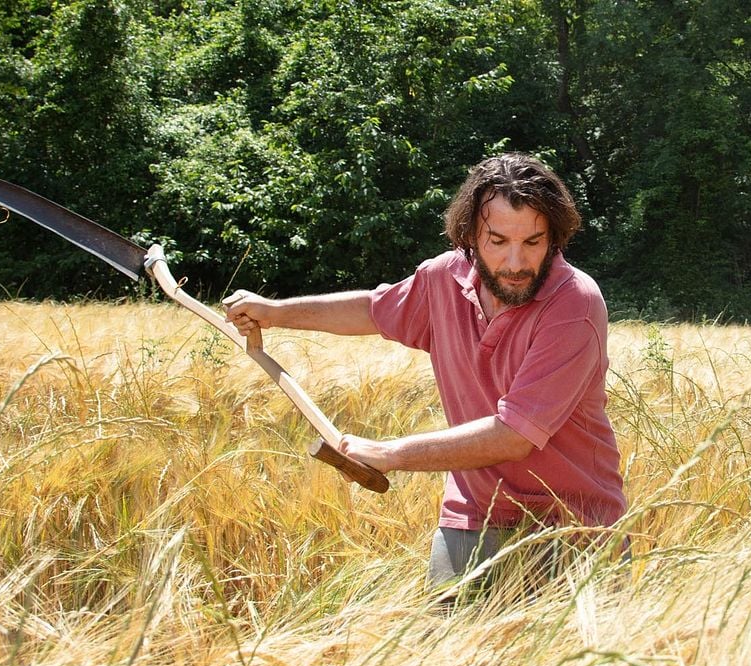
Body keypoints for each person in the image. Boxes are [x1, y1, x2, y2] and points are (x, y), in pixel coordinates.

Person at [223, 152, 626, 596]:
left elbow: (515, 435)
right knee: (441, 647)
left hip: (572, 527)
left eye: (533, 242)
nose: (516, 262)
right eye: (497, 241)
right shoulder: (443, 278)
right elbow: (373, 311)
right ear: (470, 235)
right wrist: (275, 312)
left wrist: (391, 453)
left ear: (554, 238)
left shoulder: (574, 304)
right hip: (473, 516)